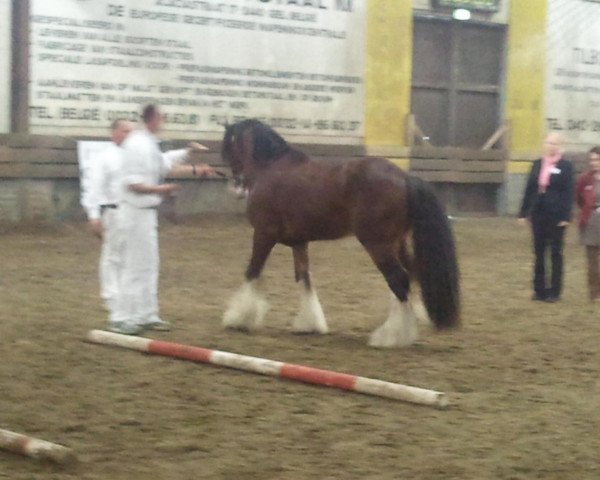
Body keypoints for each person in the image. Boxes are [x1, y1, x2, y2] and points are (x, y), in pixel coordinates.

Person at [109, 104, 214, 335]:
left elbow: (163, 163)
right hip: (134, 212)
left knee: (148, 264)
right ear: (153, 119)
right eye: (162, 118)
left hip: (145, 214)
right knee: (134, 266)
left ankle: (146, 314)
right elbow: (133, 183)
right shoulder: (136, 144)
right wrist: (161, 189)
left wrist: (189, 152)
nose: (164, 122)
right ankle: (121, 317)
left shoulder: (146, 143)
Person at [83, 119, 133, 312]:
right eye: (125, 131)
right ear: (114, 133)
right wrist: (93, 215)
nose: (129, 135)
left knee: (127, 254)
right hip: (112, 209)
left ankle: (123, 292)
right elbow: (94, 187)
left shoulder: (133, 156)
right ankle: (111, 295)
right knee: (112, 254)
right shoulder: (105, 157)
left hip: (131, 210)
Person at [518, 132, 574, 302]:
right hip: (538, 213)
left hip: (556, 215)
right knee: (539, 252)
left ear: (559, 146)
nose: (550, 145)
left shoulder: (565, 166)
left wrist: (566, 216)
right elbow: (529, 189)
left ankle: (554, 292)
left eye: (554, 143)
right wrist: (523, 213)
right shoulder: (536, 164)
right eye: (548, 142)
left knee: (556, 253)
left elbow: (568, 193)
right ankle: (539, 290)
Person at [575, 146, 600, 301]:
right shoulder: (585, 178)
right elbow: (578, 197)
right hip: (591, 221)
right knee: (592, 261)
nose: (594, 162)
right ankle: (594, 292)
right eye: (592, 160)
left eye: (597, 159)